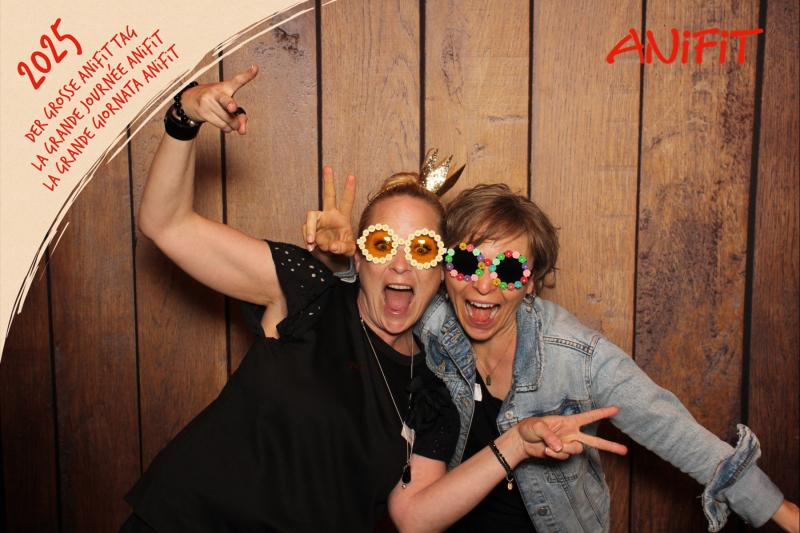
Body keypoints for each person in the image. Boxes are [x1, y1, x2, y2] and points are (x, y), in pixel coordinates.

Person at [121, 66, 626, 533]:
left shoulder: (433, 394)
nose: (401, 264)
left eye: (421, 249)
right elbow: (166, 225)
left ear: (442, 269)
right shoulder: (307, 294)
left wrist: (515, 442)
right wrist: (184, 117)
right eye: (384, 245)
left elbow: (414, 516)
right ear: (359, 258)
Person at [379, 183, 799, 532]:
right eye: (468, 263)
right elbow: (371, 290)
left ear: (531, 282)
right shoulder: (431, 319)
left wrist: (784, 514)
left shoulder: (577, 356)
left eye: (507, 271)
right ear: (444, 268)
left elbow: (676, 432)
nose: (485, 286)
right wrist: (346, 255)